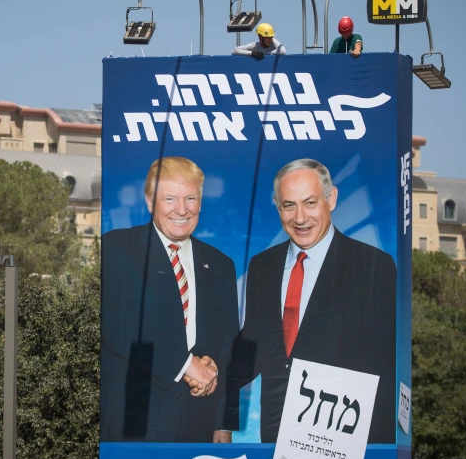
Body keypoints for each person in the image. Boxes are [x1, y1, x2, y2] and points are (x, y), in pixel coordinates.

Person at [228, 159, 396, 444]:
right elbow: (254, 346)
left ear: (331, 199)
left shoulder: (372, 266)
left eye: (310, 202)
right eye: (289, 205)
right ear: (277, 206)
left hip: (341, 445)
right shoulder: (262, 266)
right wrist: (212, 381)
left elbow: (383, 366)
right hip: (275, 440)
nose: (300, 217)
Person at [100, 157, 239, 443]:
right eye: (170, 198)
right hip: (133, 424)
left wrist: (223, 423)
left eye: (190, 198)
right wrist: (187, 366)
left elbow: (229, 349)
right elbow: (118, 327)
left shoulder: (221, 264)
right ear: (150, 202)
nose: (181, 209)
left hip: (198, 426)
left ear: (200, 203)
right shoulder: (118, 248)